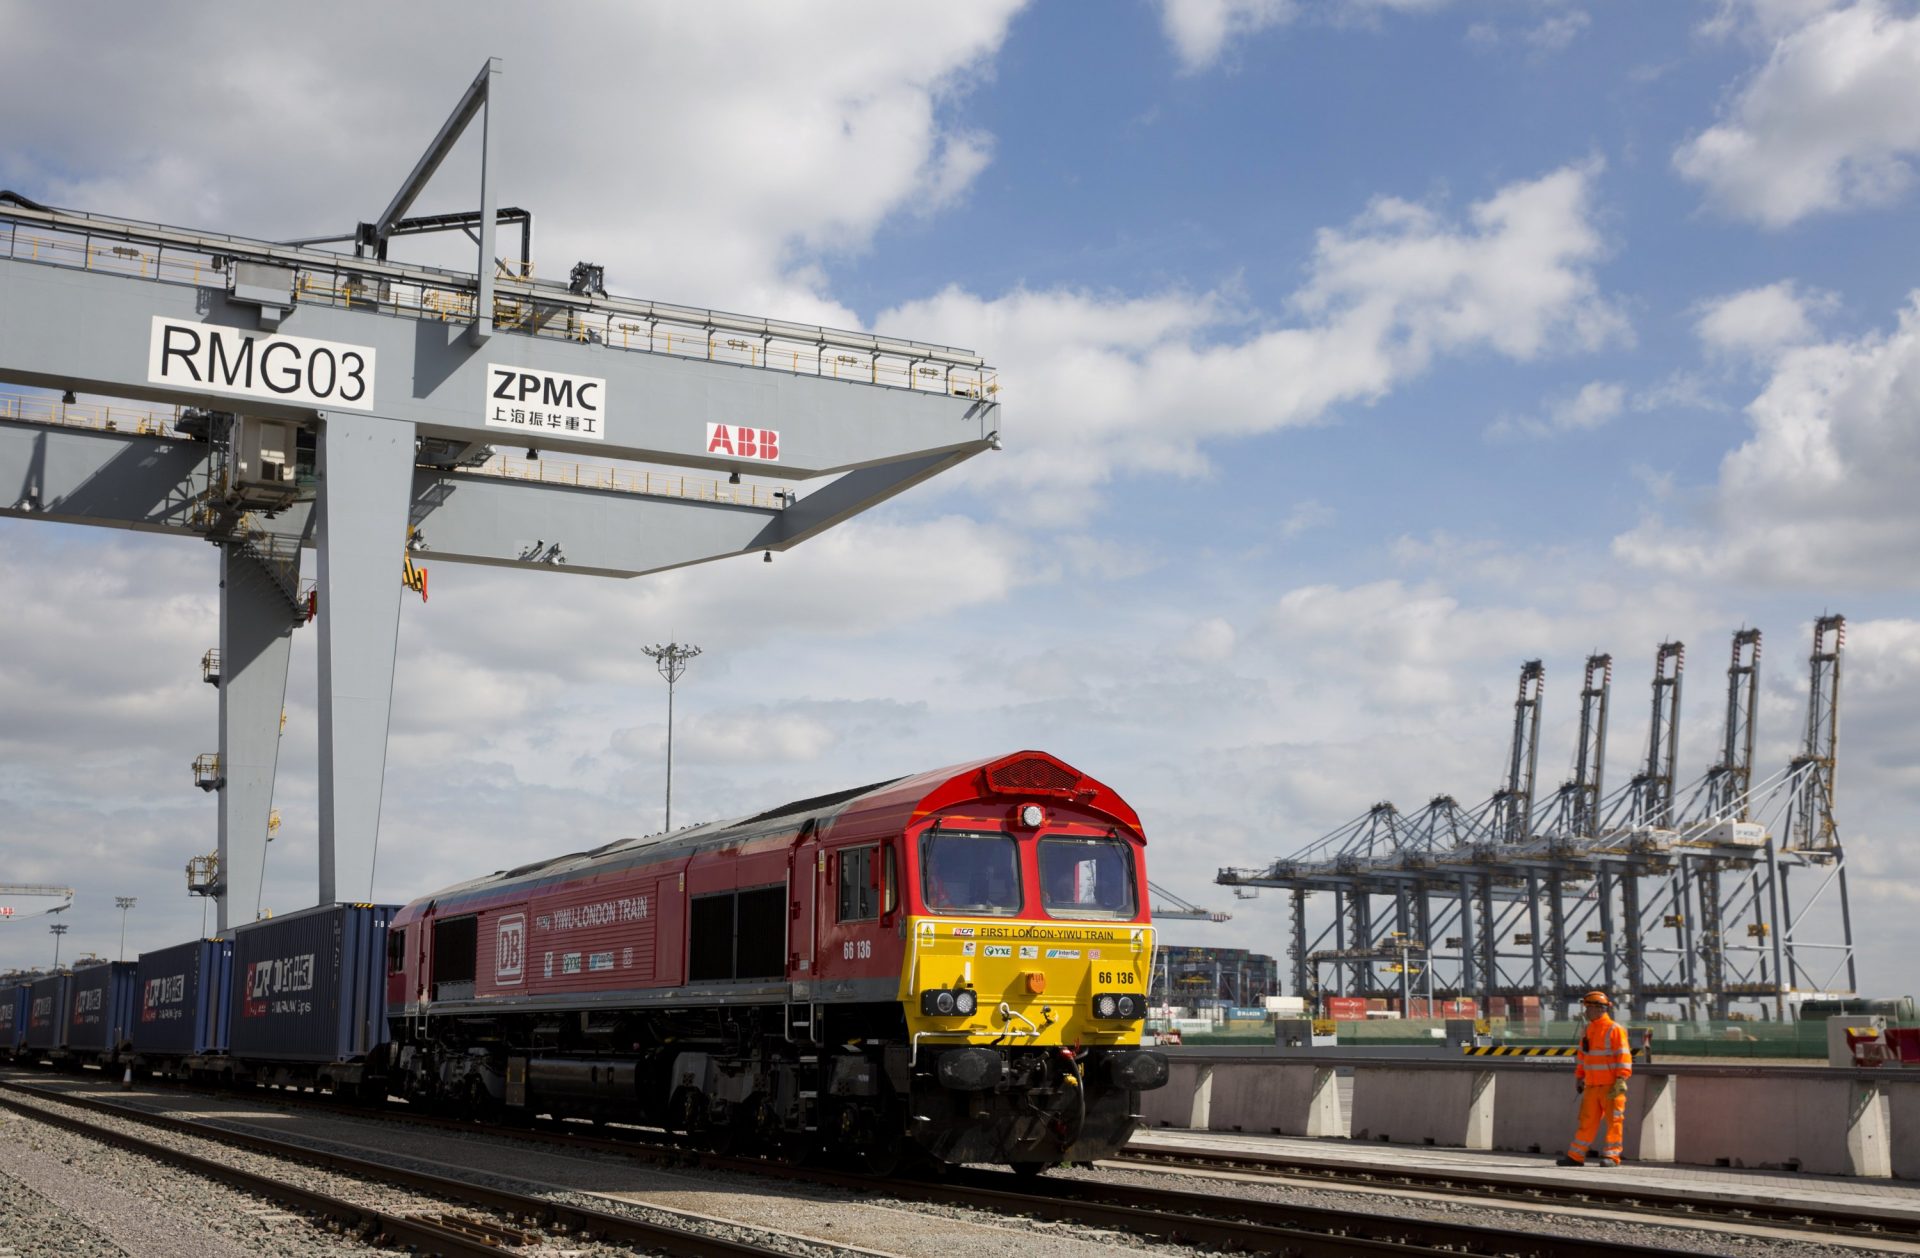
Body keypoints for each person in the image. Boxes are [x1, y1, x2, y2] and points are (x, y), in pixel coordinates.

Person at [1556, 990, 1632, 1167]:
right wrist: (1579, 1077)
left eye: (1588, 1008)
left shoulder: (1615, 1029)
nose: (1585, 1012)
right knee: (1586, 1121)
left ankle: (1612, 1157)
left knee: (1614, 1121)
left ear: (1599, 1008)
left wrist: (1621, 1079)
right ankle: (1575, 1156)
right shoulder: (1588, 1030)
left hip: (1611, 1085)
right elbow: (1583, 1056)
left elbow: (1624, 1055)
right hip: (1591, 1085)